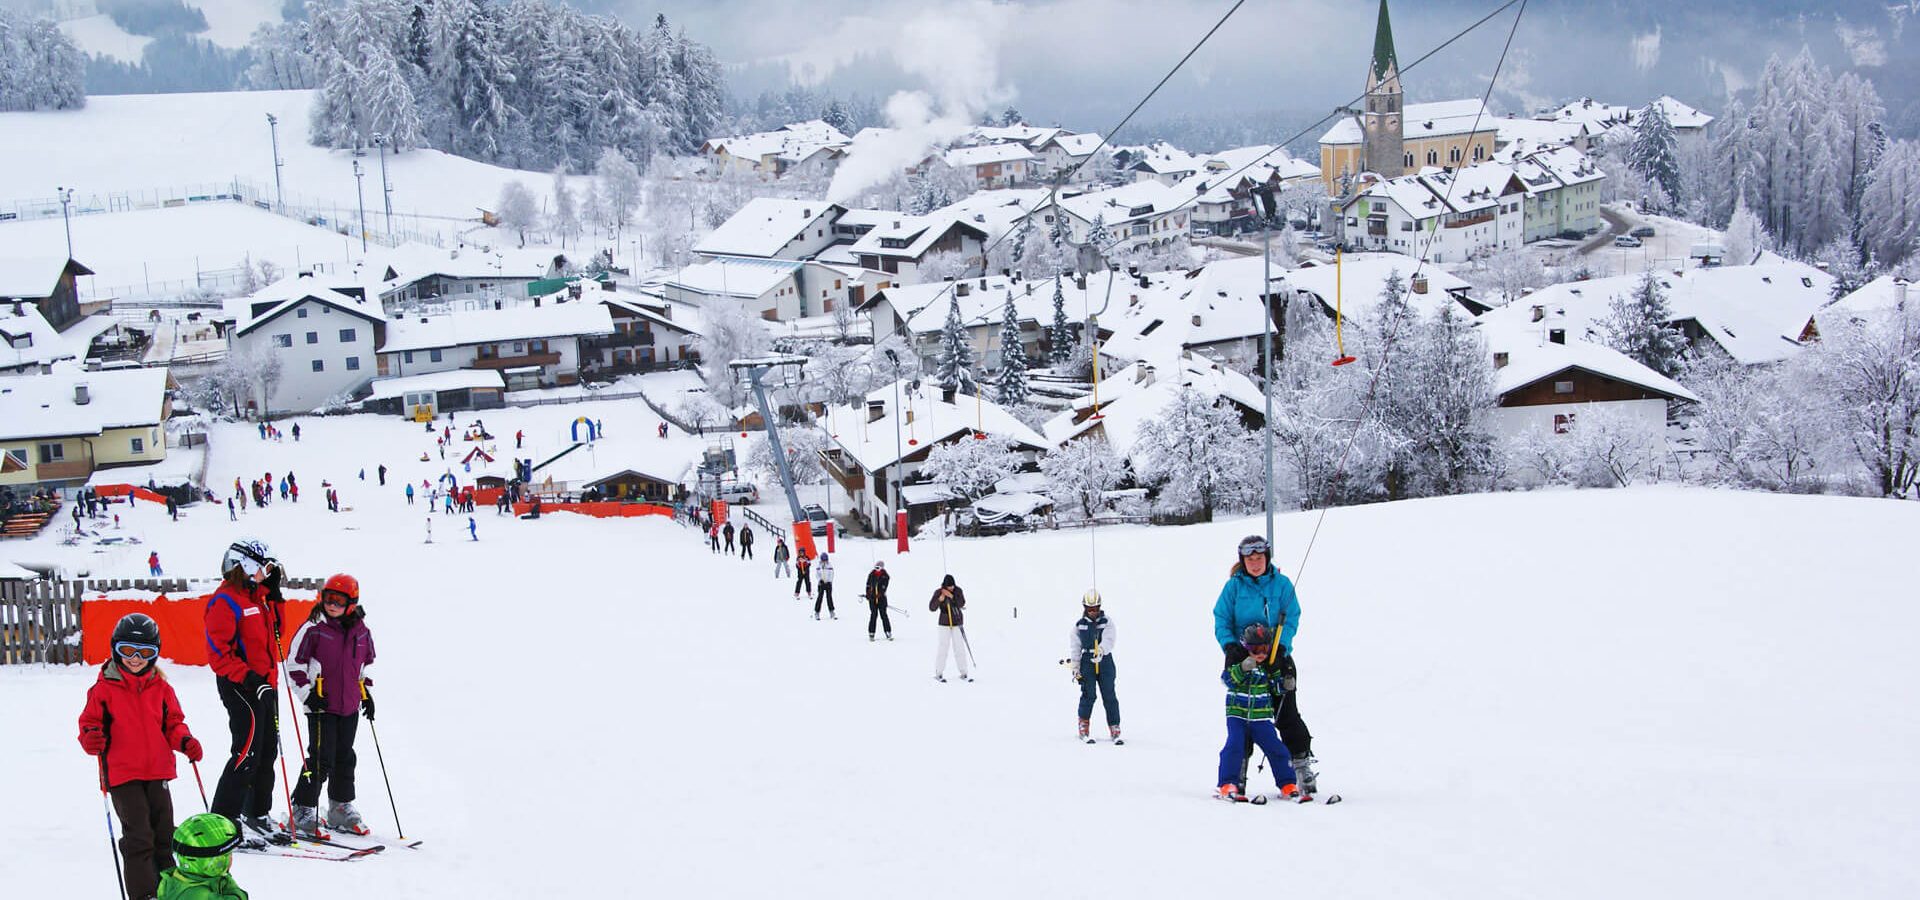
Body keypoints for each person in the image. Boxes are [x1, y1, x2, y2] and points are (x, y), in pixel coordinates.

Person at [78, 613, 204, 900]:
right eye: (127, 651)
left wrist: (184, 741)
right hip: (123, 775)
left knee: (163, 836)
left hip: (157, 771)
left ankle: (168, 888)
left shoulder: (161, 688)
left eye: (146, 652)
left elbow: (173, 724)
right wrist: (91, 737)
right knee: (139, 838)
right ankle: (144, 894)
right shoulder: (102, 690)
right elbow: (89, 723)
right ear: (115, 649)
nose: (136, 658)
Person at [1211, 535, 1316, 795]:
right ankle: (1238, 773)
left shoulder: (1281, 584)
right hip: (1243, 656)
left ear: (1267, 558)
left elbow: (1292, 616)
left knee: (1286, 713)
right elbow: (1221, 618)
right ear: (1242, 561)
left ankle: (1300, 767)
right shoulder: (1233, 587)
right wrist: (1229, 645)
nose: (1255, 563)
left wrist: (1282, 645)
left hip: (1276, 654)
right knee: (1245, 717)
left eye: (1259, 558)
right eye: (1250, 559)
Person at [205, 540, 287, 847]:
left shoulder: (260, 598)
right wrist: (250, 679)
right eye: (265, 568)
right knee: (246, 753)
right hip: (241, 686)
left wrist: (276, 597)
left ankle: (257, 812)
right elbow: (218, 654)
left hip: (267, 685)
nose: (268, 574)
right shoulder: (224, 602)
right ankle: (225, 819)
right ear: (246, 566)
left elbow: (278, 634)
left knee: (267, 752)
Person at [285, 574, 376, 839]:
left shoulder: (362, 632)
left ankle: (339, 807)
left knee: (345, 757)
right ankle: (302, 808)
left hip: (349, 705)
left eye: (338, 600)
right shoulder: (313, 628)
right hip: (321, 705)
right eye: (328, 598)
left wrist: (367, 695)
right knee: (321, 758)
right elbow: (294, 666)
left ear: (352, 602)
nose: (332, 604)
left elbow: (365, 666)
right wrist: (308, 695)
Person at [1215, 624, 1301, 803]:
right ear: (1246, 648)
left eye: (1264, 648)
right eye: (1255, 649)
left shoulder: (1268, 667)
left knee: (1276, 748)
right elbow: (1228, 679)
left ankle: (1288, 784)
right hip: (1237, 716)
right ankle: (1227, 784)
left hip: (1260, 718)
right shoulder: (1239, 662)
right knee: (1234, 746)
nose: (1260, 653)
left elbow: (1275, 688)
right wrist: (1242, 668)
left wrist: (1285, 685)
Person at [1068, 589, 1120, 743]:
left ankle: (1114, 726)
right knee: (1088, 694)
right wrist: (1075, 667)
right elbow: (1075, 646)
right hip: (1087, 661)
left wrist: (1102, 650)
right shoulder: (1079, 626)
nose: (1093, 612)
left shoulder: (1107, 622)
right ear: (1085, 608)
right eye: (1090, 609)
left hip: (1104, 661)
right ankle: (1083, 724)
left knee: (1109, 694)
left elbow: (1110, 639)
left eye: (1096, 608)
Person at [157, 813, 250, 899]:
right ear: (212, 863)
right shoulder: (198, 894)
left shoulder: (180, 879)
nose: (231, 858)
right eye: (227, 854)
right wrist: (232, 887)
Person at [930, 575, 969, 681]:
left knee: (959, 647)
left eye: (952, 586)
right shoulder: (939, 592)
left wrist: (951, 596)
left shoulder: (958, 591)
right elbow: (932, 607)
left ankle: (964, 672)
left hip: (957, 622)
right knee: (943, 647)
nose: (951, 588)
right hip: (944, 624)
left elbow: (962, 603)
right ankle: (938, 673)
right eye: (949, 586)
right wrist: (940, 599)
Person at [865, 561, 893, 642]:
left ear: (882, 568)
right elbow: (868, 585)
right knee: (873, 615)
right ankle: (871, 633)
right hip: (872, 600)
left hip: (881, 599)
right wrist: (868, 594)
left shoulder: (885, 576)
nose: (876, 569)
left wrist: (879, 594)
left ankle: (888, 632)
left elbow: (884, 587)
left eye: (878, 568)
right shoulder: (871, 574)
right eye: (875, 567)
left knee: (883, 615)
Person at [813, 552, 835, 620]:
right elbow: (817, 574)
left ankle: (831, 611)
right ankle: (817, 612)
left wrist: (829, 581)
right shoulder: (819, 566)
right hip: (821, 584)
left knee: (829, 598)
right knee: (820, 597)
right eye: (823, 560)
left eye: (826, 560)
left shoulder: (830, 565)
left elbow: (832, 574)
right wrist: (820, 580)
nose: (824, 561)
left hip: (828, 583)